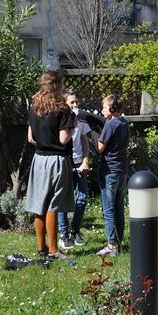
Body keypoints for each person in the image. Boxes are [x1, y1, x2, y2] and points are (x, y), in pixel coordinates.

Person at [26, 71, 75, 260]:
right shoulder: (63, 109)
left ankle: (41, 249)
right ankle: (54, 251)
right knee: (53, 206)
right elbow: (64, 139)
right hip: (57, 160)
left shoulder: (34, 107)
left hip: (39, 159)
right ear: (58, 85)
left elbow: (31, 138)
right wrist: (73, 128)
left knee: (39, 204)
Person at [96, 94, 130, 257]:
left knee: (108, 209)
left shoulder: (110, 124)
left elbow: (100, 148)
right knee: (118, 206)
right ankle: (119, 241)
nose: (102, 109)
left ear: (112, 108)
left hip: (109, 169)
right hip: (122, 168)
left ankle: (111, 245)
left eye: (104, 107)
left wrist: (96, 135)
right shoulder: (124, 122)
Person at [58, 89, 91, 250]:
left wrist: (85, 160)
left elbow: (84, 141)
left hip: (79, 163)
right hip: (65, 162)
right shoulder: (61, 119)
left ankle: (75, 231)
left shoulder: (81, 119)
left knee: (82, 199)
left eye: (76, 102)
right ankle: (63, 234)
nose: (75, 105)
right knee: (63, 200)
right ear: (64, 104)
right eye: (72, 102)